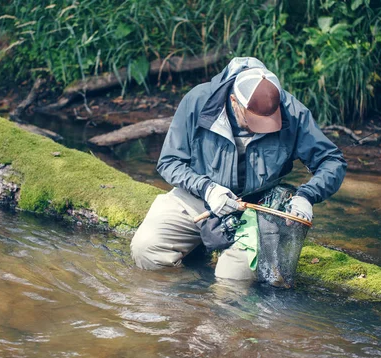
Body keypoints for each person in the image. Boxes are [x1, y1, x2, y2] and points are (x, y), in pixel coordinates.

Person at [130, 57, 346, 279]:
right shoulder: (198, 101)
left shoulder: (293, 112)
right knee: (146, 249)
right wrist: (207, 189)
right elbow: (169, 162)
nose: (260, 128)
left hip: (258, 208)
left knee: (232, 282)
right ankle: (190, 298)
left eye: (269, 120)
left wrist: (307, 196)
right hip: (198, 195)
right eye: (253, 119)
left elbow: (332, 161)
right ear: (234, 101)